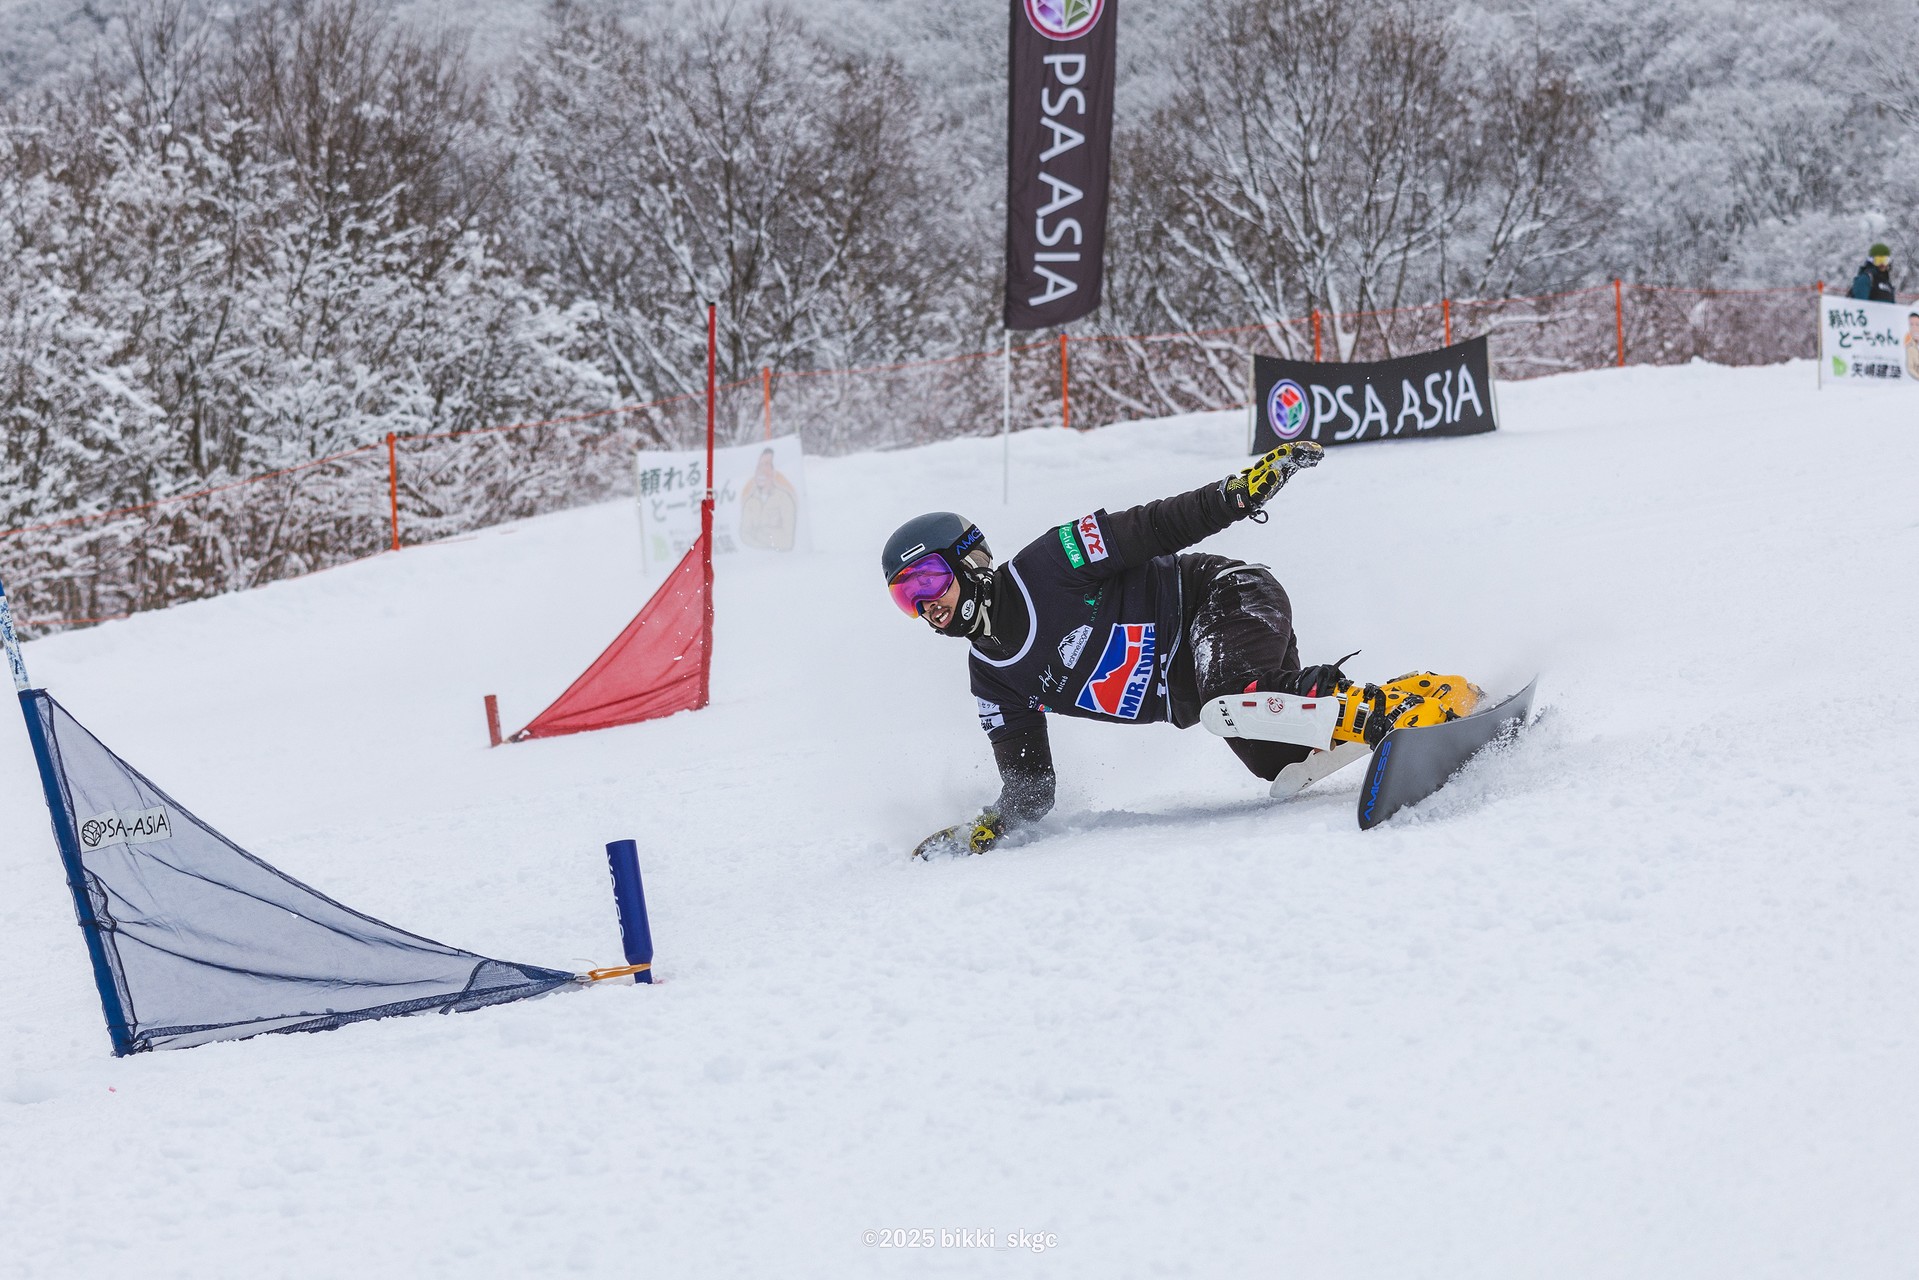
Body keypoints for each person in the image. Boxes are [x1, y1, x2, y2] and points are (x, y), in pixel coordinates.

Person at [882, 443, 1482, 857]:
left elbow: (1156, 526)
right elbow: (1032, 788)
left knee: (1234, 699)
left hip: (1224, 597)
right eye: (907, 597)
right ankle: (1421, 691)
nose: (926, 604)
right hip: (1215, 684)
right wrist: (987, 828)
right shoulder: (993, 681)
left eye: (928, 580)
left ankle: (1393, 714)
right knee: (1278, 762)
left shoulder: (1049, 563)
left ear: (971, 560)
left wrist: (1237, 494)